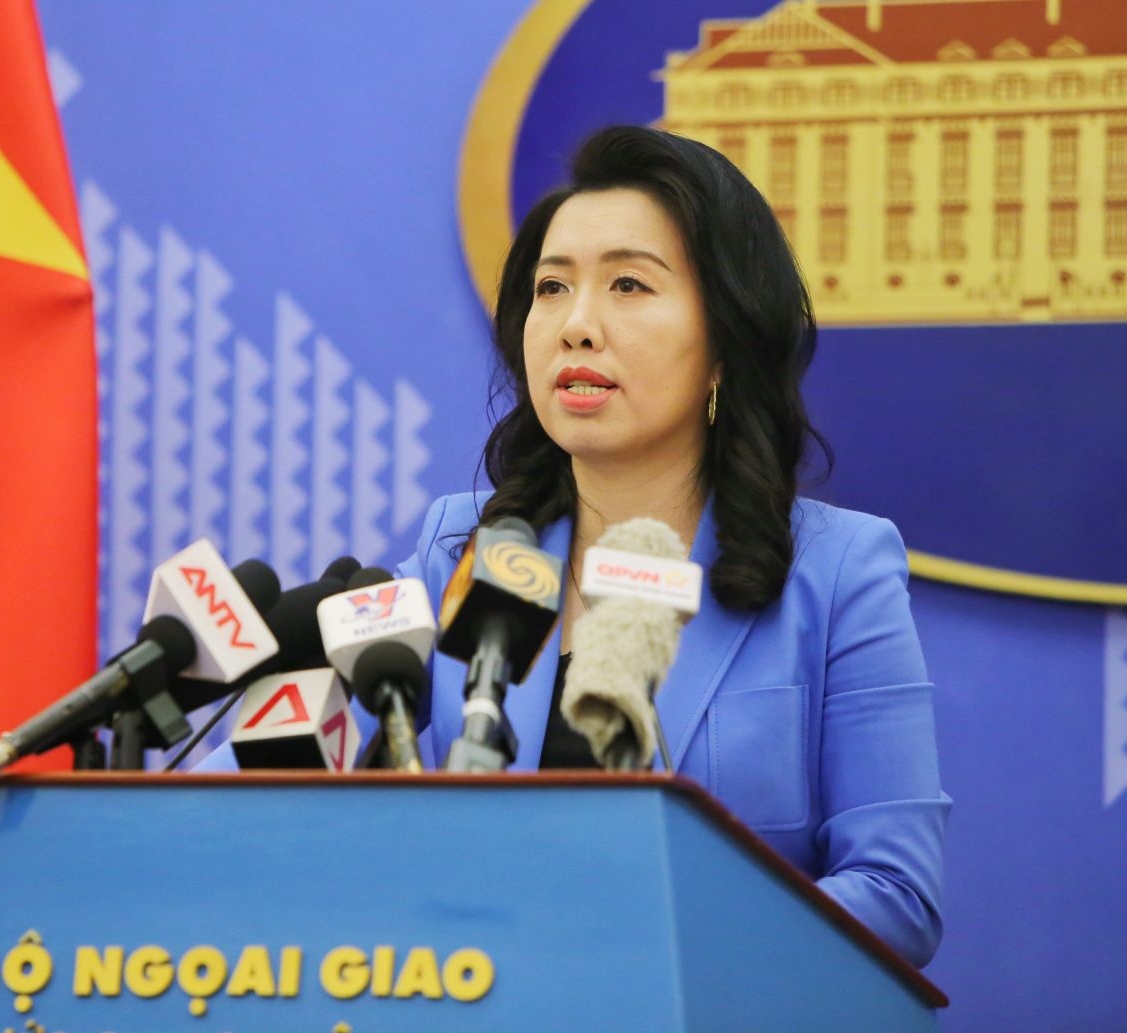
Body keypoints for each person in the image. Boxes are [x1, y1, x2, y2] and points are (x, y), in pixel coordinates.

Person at [201, 125, 948, 969]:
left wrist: (643, 943)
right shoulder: (461, 553)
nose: (577, 325)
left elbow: (896, 894)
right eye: (551, 288)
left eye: (629, 284)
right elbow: (242, 791)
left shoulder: (838, 571)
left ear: (724, 343)